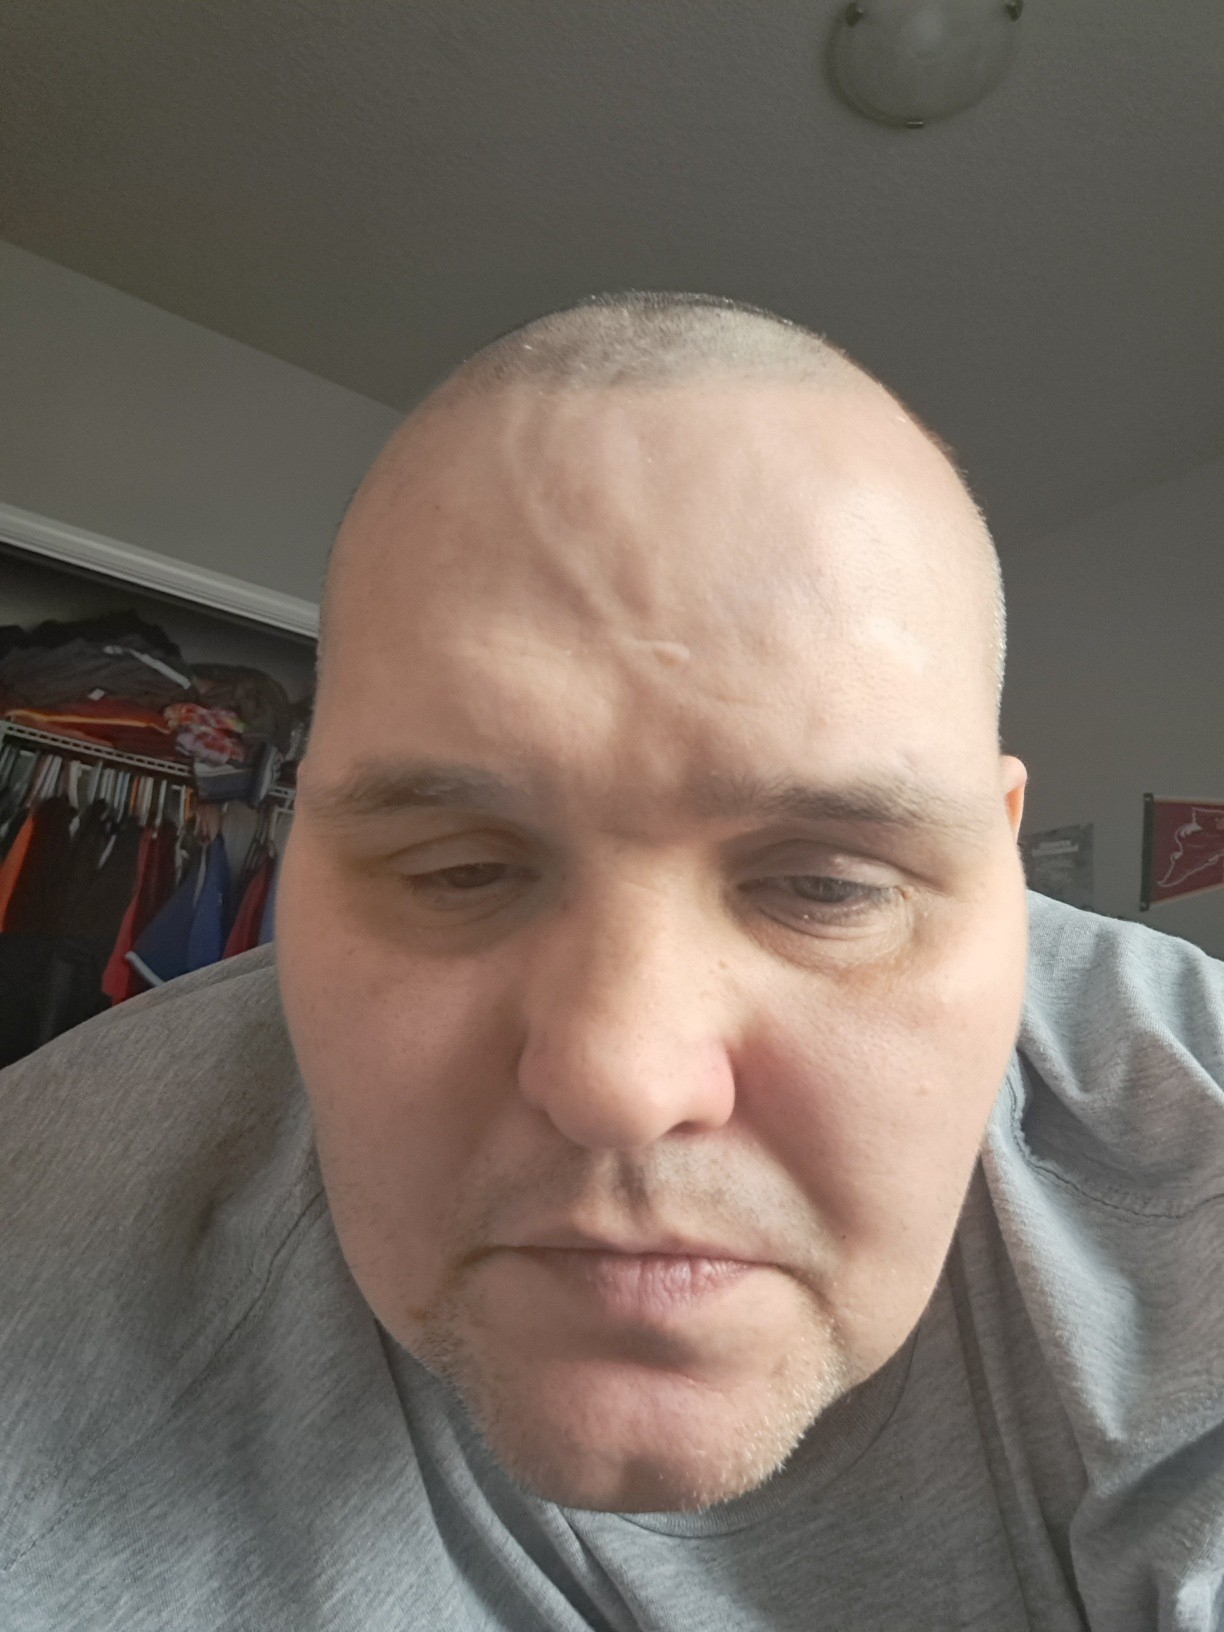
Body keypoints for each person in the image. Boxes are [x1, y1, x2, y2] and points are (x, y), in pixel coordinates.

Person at [3, 293, 1223, 1631]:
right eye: (458, 869)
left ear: (1003, 867)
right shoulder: (51, 1212)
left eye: (826, 886)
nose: (622, 1084)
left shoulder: (1195, 1145)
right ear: (302, 846)